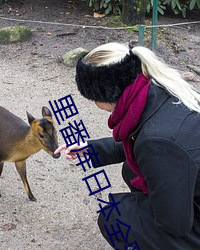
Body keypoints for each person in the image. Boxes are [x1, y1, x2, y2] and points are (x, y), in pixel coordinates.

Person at [54, 42, 200, 249]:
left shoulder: (157, 142)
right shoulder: (160, 89)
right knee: (131, 170)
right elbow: (143, 140)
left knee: (113, 216)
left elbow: (175, 224)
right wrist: (91, 149)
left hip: (190, 222)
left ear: (105, 93)